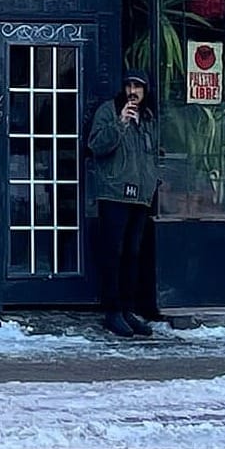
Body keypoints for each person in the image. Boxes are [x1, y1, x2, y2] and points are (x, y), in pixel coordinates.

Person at [88, 70, 160, 339]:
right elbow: (96, 145)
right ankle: (112, 311)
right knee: (114, 253)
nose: (133, 91)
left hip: (141, 195)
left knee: (132, 253)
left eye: (138, 87)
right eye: (129, 85)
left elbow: (151, 154)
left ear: (145, 91)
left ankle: (128, 309)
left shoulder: (149, 118)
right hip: (115, 193)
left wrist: (154, 181)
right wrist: (120, 123)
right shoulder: (109, 111)